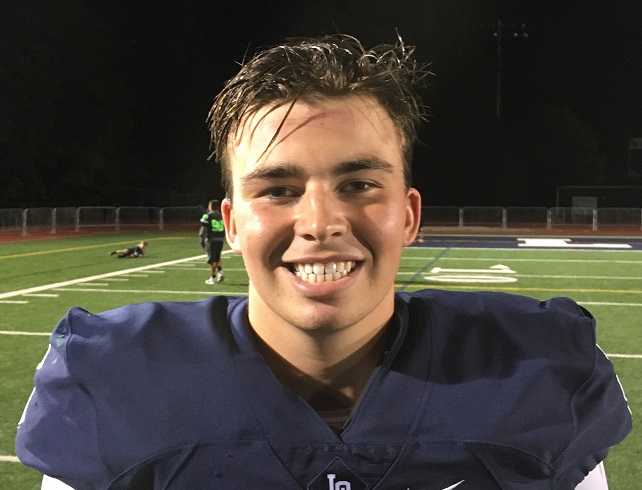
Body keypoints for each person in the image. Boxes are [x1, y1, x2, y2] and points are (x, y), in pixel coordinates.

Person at [17, 34, 630, 490]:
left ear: (409, 215)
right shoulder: (114, 385)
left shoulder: (540, 374)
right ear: (231, 223)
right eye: (277, 190)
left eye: (360, 184)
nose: (319, 222)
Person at [199, 199, 225, 284]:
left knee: (212, 260)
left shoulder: (207, 216)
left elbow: (203, 229)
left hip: (211, 240)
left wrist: (202, 240)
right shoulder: (221, 215)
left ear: (210, 206)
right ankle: (220, 272)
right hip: (220, 239)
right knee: (217, 257)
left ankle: (213, 277)